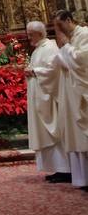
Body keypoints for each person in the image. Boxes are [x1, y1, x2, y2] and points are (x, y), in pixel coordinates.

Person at [24, 21, 70, 182]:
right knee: (47, 135)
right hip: (40, 97)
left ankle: (65, 169)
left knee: (55, 133)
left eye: (31, 34)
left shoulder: (49, 48)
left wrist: (35, 71)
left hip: (49, 99)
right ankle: (58, 169)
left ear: (40, 33)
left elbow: (54, 70)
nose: (28, 37)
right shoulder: (39, 49)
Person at [52, 10, 88, 188]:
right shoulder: (72, 38)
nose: (59, 31)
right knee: (75, 136)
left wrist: (66, 47)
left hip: (82, 94)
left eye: (60, 26)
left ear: (68, 20)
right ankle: (82, 178)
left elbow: (82, 61)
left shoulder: (84, 35)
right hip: (72, 93)